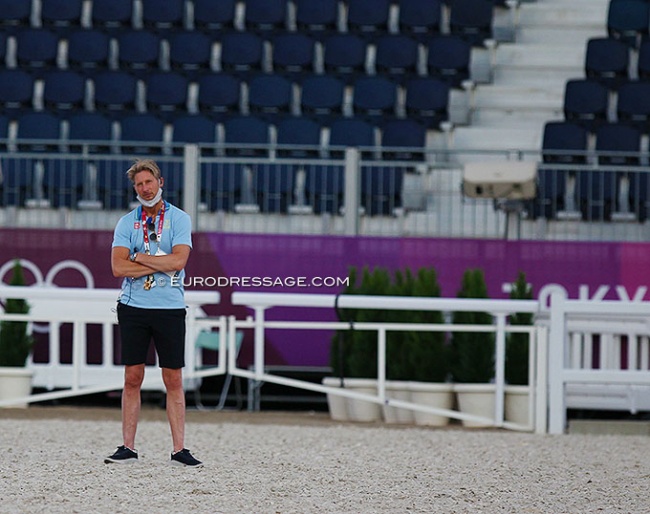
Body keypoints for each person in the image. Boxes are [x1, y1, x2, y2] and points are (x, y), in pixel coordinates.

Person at [105, 159, 202, 467]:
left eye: (148, 182)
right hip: (133, 308)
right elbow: (117, 268)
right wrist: (154, 261)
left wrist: (140, 257)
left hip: (170, 308)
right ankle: (128, 448)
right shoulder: (126, 223)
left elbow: (178, 262)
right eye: (138, 185)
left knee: (173, 377)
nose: (144, 189)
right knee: (132, 376)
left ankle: (179, 450)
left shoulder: (180, 219)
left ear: (161, 182)